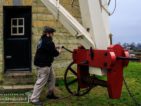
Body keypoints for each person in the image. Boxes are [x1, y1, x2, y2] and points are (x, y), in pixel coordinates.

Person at [30, 26, 61, 105]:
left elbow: (47, 49)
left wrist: (54, 47)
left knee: (52, 78)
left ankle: (50, 94)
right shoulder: (48, 42)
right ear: (48, 34)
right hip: (43, 65)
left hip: (46, 64)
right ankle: (34, 99)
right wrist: (59, 50)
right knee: (40, 82)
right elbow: (55, 53)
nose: (53, 35)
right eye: (52, 33)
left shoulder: (42, 40)